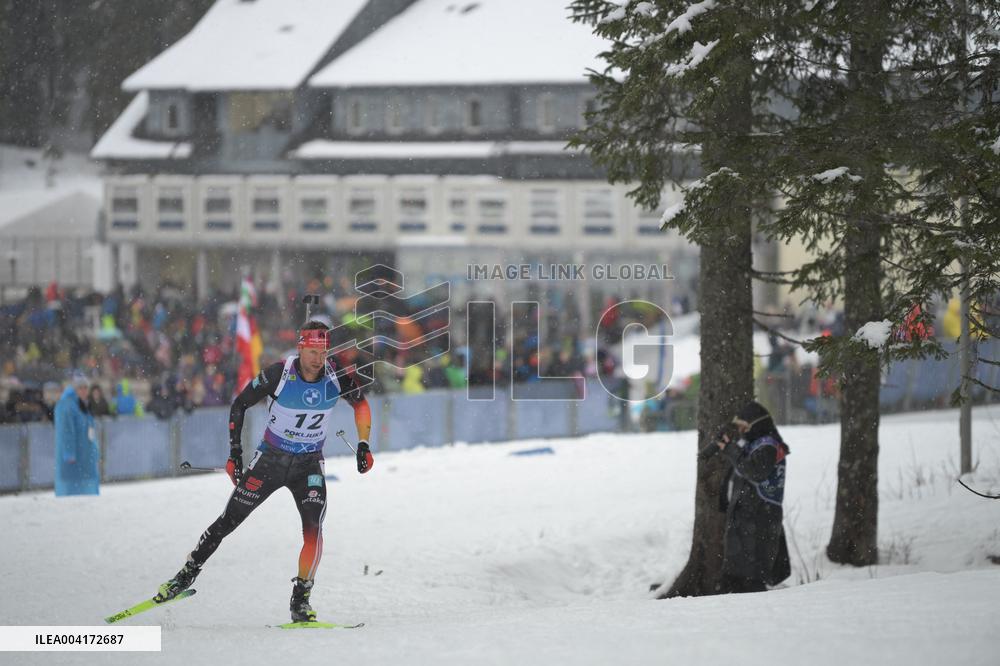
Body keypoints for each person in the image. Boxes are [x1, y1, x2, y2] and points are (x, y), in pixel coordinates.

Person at [155, 321, 374, 623]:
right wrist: (235, 454)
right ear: (300, 348)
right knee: (229, 520)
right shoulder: (279, 374)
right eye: (312, 351)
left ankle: (301, 600)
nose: (318, 359)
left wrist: (363, 445)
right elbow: (239, 404)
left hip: (308, 465)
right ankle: (185, 574)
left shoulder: (336, 375)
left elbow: (361, 405)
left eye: (323, 352)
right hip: (270, 461)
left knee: (314, 531)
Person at [711, 400, 791, 593]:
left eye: (743, 427)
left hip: (760, 519)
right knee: (734, 575)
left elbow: (754, 471)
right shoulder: (750, 445)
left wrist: (731, 450)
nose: (741, 432)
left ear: (756, 424)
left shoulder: (768, 446)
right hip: (744, 520)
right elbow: (737, 473)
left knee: (752, 578)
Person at [54, 372, 99, 496]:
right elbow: (66, 431)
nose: (84, 391)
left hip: (85, 459)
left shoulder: (83, 405)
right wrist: (69, 453)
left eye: (86, 388)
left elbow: (90, 431)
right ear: (74, 389)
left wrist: (95, 452)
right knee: (72, 496)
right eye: (80, 388)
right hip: (73, 463)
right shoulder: (67, 405)